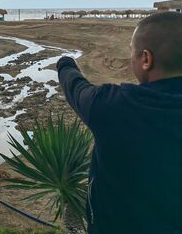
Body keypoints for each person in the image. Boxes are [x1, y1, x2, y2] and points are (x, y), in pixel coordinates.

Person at [56, 12, 182, 234]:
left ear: (146, 59)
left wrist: (65, 63)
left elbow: (77, 90)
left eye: (131, 50)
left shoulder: (116, 106)